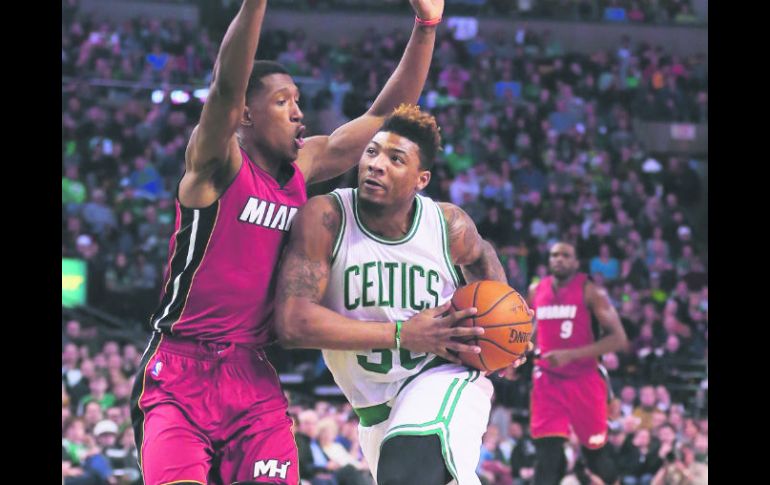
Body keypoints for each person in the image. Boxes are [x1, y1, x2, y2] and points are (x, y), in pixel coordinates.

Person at [130, 0, 445, 483]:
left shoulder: (303, 169)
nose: (299, 112)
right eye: (282, 102)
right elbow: (225, 89)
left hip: (251, 373)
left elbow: (385, 117)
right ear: (247, 116)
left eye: (298, 100)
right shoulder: (216, 167)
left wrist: (427, 26)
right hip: (179, 369)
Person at [276, 104, 528, 485]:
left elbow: (482, 255)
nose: (376, 164)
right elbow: (294, 323)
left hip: (442, 375)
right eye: (372, 151)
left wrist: (510, 334)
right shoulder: (327, 217)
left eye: (396, 158)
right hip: (375, 411)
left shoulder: (447, 225)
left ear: (421, 178)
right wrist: (402, 333)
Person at [526, 242, 628, 485]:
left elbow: (618, 339)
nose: (558, 259)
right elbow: (531, 330)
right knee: (547, 458)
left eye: (565, 255)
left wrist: (570, 354)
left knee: (596, 456)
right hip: (547, 379)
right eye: (554, 255)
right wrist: (516, 356)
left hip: (584, 379)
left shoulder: (591, 291)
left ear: (576, 262)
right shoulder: (536, 291)